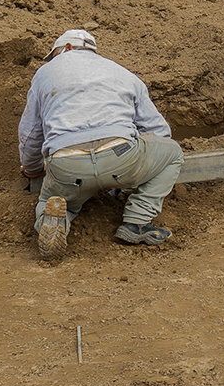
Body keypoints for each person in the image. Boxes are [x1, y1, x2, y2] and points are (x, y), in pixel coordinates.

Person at [18, 30, 182, 258]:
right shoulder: (123, 73)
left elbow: (30, 133)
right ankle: (137, 222)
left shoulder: (44, 74)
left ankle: (53, 221)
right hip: (120, 156)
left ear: (67, 47)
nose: (52, 60)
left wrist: (33, 170)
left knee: (53, 200)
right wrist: (135, 178)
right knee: (173, 153)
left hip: (67, 162)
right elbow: (158, 131)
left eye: (53, 54)